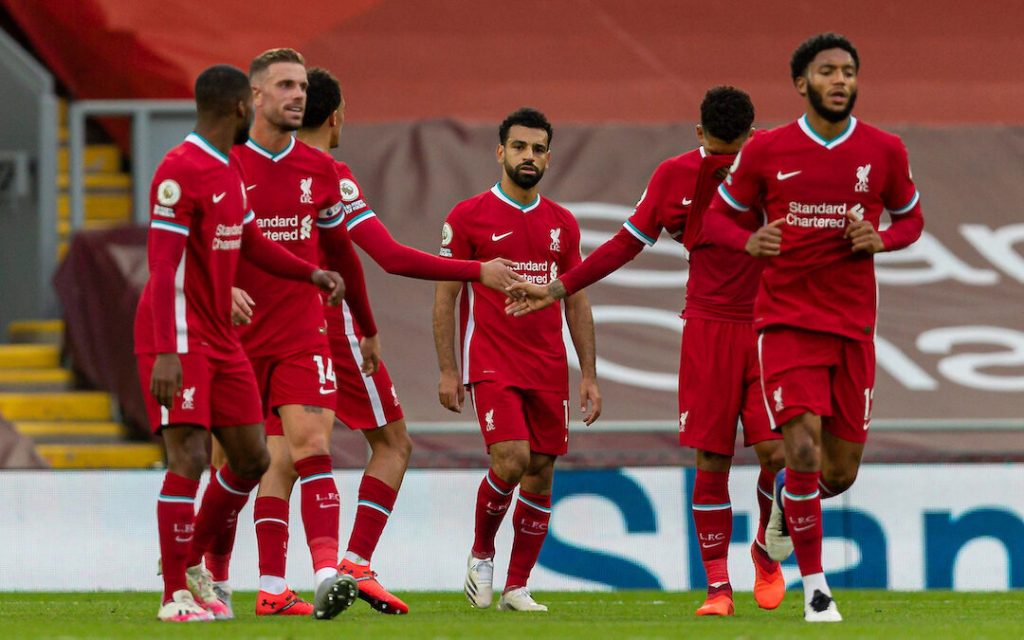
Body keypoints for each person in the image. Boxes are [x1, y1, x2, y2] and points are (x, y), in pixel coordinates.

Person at [505, 87, 786, 617]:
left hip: (770, 327)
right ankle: (719, 589)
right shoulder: (673, 176)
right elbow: (624, 243)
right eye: (720, 150)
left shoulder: (776, 158)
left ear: (753, 137)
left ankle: (766, 552)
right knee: (713, 458)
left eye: (738, 150)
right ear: (700, 136)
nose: (729, 161)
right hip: (708, 328)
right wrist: (559, 287)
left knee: (777, 455)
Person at [701, 33, 925, 622]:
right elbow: (717, 218)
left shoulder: (885, 150)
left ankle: (778, 518)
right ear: (802, 83)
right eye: (827, 71)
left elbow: (912, 218)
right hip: (786, 322)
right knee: (799, 448)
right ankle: (816, 590)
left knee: (839, 472)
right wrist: (750, 239)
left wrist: (884, 238)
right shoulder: (768, 151)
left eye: (848, 71)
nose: (840, 80)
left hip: (853, 328)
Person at [134, 64, 346, 622]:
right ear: (237, 107)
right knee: (188, 457)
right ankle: (175, 591)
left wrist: (309, 274)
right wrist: (165, 351)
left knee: (251, 457)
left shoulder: (229, 169)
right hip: (179, 335)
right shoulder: (178, 172)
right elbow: (161, 270)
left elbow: (249, 240)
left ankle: (189, 561)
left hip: (220, 338)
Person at [203, 48, 377, 621]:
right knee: (235, 466)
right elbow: (192, 245)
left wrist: (367, 326)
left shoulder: (319, 170)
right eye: (284, 85)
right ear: (255, 97)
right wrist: (222, 289)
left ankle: (327, 573)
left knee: (312, 444)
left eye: (302, 86)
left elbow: (340, 254)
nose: (297, 95)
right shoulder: (222, 163)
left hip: (302, 331)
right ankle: (218, 579)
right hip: (234, 339)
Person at [433, 107, 601, 612]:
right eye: (520, 147)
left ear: (549, 157)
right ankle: (480, 556)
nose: (529, 156)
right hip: (491, 361)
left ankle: (516, 586)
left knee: (542, 471)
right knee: (512, 458)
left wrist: (588, 373)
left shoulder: (562, 223)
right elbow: (445, 297)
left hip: (548, 365)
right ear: (500, 151)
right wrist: (447, 369)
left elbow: (577, 297)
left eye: (538, 149)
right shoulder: (467, 216)